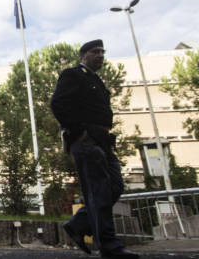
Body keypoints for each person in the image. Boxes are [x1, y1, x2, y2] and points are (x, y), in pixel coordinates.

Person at [50, 39, 139, 259]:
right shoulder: (73, 74)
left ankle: (79, 223)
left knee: (115, 186)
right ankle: (109, 246)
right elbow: (58, 104)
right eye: (95, 52)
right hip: (86, 140)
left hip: (103, 141)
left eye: (102, 52)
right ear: (84, 55)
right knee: (99, 191)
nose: (100, 55)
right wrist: (79, 132)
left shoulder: (97, 80)